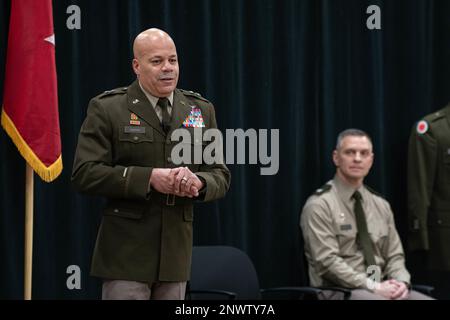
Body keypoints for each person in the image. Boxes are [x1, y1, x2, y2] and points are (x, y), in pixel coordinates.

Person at [71, 28, 231, 300]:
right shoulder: (109, 108)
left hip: (175, 256)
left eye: (173, 60)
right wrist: (148, 178)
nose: (167, 68)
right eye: (156, 61)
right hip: (126, 256)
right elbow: (84, 173)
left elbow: (220, 174)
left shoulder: (200, 109)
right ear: (137, 65)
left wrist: (200, 182)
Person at [300, 129, 432, 300]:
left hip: (383, 287)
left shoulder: (381, 205)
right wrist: (373, 286)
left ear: (371, 159)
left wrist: (401, 283)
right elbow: (327, 262)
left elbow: (394, 256)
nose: (357, 158)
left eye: (364, 153)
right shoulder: (319, 204)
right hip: (338, 291)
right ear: (336, 157)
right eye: (350, 152)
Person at [407, 103, 450, 299]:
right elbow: (420, 187)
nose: (357, 159)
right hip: (444, 240)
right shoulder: (433, 129)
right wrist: (420, 237)